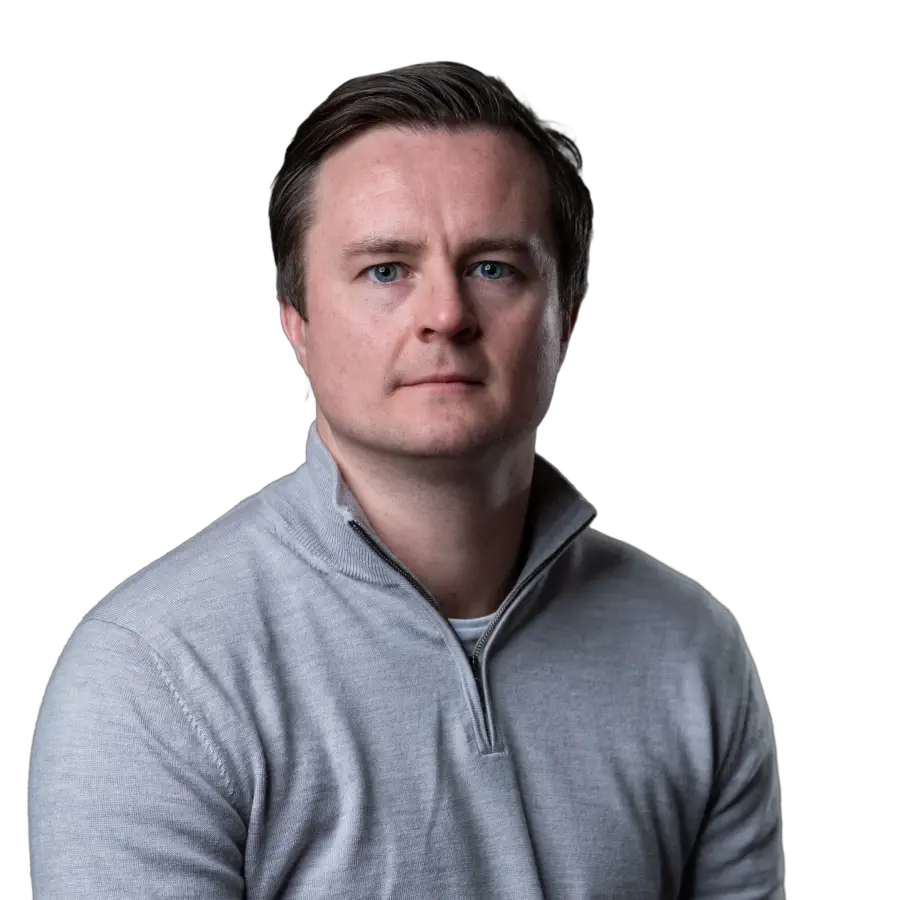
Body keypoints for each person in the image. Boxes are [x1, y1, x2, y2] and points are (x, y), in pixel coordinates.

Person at [28, 59, 785, 898]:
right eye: (386, 269)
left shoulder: (692, 650)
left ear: (565, 321)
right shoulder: (154, 672)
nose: (447, 316)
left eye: (493, 267)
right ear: (296, 324)